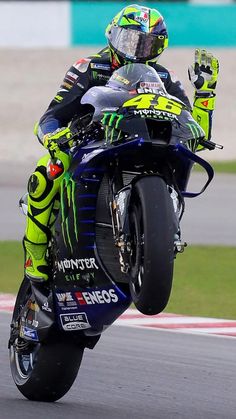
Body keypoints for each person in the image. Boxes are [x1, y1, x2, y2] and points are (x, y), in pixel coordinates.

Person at [23, 4, 219, 282]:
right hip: (90, 143)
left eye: (147, 44)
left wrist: (206, 93)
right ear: (112, 35)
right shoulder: (90, 67)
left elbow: (195, 134)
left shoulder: (164, 78)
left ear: (159, 47)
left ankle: (155, 232)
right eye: (130, 40)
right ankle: (35, 249)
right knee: (47, 172)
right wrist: (54, 137)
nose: (137, 51)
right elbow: (51, 116)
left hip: (141, 143)